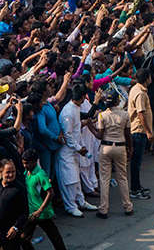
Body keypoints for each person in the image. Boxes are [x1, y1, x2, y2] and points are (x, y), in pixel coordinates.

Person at [57, 85, 98, 217]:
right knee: (70, 180)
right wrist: (79, 148)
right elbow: (68, 135)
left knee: (77, 179)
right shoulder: (68, 112)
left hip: (74, 150)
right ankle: (71, 206)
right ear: (81, 97)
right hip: (67, 152)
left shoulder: (76, 108)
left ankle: (81, 201)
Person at [94, 89, 133, 217]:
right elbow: (128, 134)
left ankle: (103, 208)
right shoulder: (125, 114)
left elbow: (99, 135)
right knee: (122, 177)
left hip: (106, 147)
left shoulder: (102, 115)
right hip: (120, 147)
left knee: (104, 178)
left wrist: (89, 126)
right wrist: (130, 148)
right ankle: (127, 206)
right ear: (117, 101)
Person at [19, 149, 67, 250]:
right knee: (23, 238)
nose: (25, 165)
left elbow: (50, 193)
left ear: (34, 161)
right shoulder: (26, 173)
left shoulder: (40, 174)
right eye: (23, 163)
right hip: (32, 213)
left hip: (42, 213)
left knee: (54, 237)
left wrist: (40, 210)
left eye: (27, 163)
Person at [0, 160, 28, 250]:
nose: (11, 175)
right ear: (1, 172)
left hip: (10, 233)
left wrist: (16, 227)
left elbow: (25, 212)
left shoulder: (19, 189)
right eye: (8, 172)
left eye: (13, 172)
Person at [127, 69, 154, 199]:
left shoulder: (137, 89)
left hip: (138, 130)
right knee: (136, 162)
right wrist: (148, 131)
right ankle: (134, 189)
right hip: (138, 131)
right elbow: (140, 113)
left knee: (137, 162)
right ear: (147, 78)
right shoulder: (140, 94)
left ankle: (137, 186)